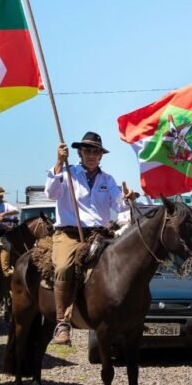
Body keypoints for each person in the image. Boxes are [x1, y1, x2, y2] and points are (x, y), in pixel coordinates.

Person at [46, 132, 131, 345]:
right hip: (70, 233)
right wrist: (58, 162)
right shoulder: (68, 173)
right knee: (64, 267)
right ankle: (61, 323)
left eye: (96, 151)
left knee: (123, 264)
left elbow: (120, 206)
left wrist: (128, 199)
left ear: (101, 155)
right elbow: (51, 192)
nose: (91, 155)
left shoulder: (107, 180)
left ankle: (126, 314)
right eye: (87, 151)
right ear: (79, 153)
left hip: (99, 234)